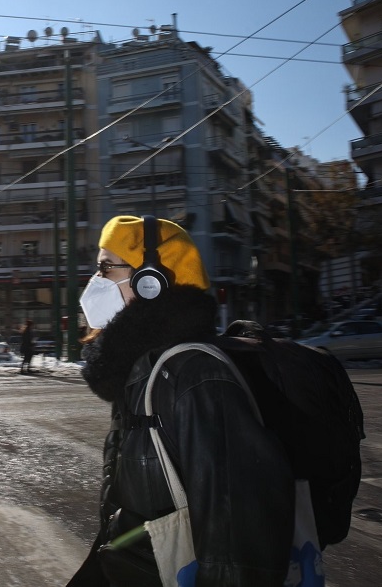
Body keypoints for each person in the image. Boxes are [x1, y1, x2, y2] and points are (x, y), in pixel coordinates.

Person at [68, 216, 293, 586]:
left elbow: (241, 547)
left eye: (106, 268)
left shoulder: (194, 378)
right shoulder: (140, 375)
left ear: (151, 282)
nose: (95, 282)